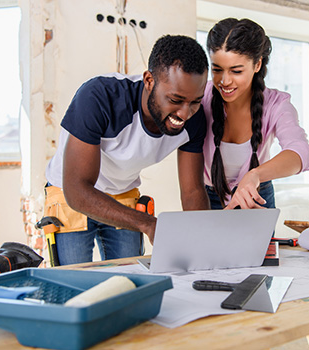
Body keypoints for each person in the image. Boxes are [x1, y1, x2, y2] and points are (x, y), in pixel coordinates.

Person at [43, 35, 210, 265]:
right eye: (175, 99)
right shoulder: (99, 97)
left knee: (129, 281)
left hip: (122, 192)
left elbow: (192, 192)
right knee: (74, 284)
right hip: (70, 193)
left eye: (195, 101)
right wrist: (148, 223)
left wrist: (205, 245)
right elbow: (77, 189)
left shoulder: (194, 119)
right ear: (149, 80)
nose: (184, 113)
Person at [202, 18, 309, 210]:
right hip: (207, 196)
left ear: (257, 65)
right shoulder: (201, 96)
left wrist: (255, 175)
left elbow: (303, 154)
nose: (224, 81)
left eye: (236, 70)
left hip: (256, 195)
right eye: (217, 70)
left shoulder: (277, 104)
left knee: (264, 243)